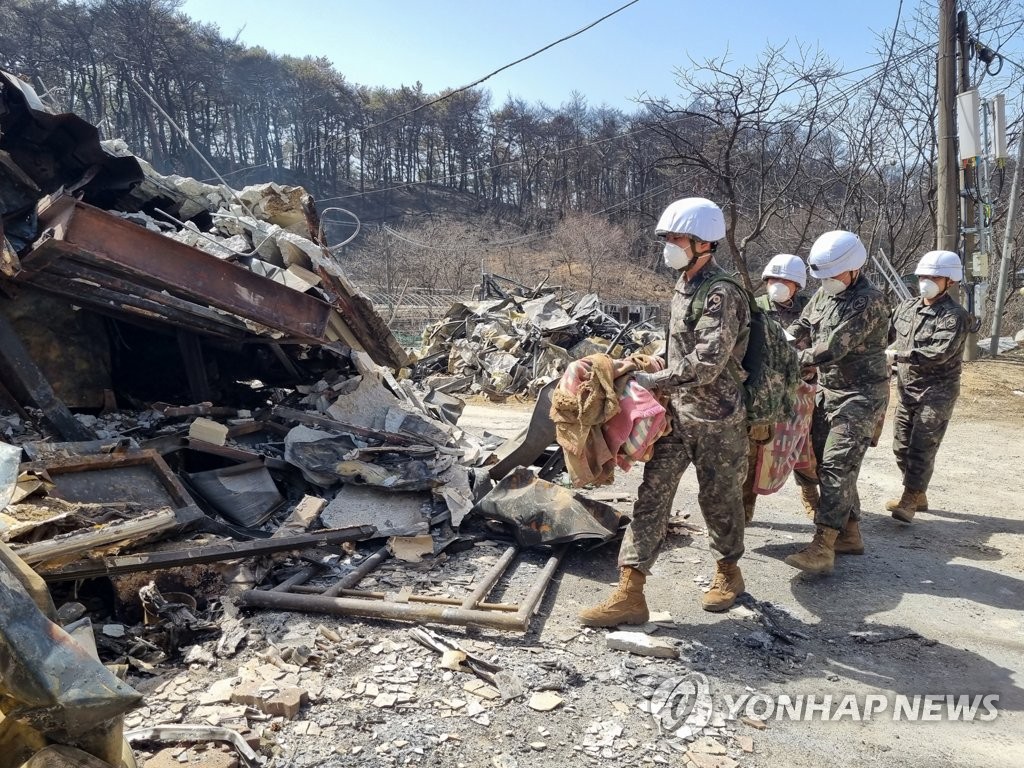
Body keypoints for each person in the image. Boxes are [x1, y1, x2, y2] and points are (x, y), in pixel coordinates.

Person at [578, 197, 750, 625]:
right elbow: (680, 348)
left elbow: (708, 362)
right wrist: (651, 361)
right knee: (651, 499)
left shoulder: (722, 292)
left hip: (717, 419)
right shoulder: (684, 285)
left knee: (721, 500)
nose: (668, 247)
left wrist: (654, 381)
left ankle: (728, 572)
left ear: (702, 242)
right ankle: (630, 592)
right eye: (668, 239)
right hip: (676, 416)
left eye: (675, 239)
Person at [785, 231, 889, 573]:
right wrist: (783, 340)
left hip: (861, 396)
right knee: (825, 464)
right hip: (827, 393)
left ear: (854, 269)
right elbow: (802, 325)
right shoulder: (824, 294)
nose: (826, 282)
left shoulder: (870, 300)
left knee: (837, 464)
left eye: (833, 275)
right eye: (823, 277)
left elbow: (833, 346)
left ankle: (823, 545)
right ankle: (850, 533)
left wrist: (789, 359)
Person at [885, 250, 971, 522]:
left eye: (935, 277)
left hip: (937, 392)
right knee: (900, 446)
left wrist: (897, 355)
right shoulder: (906, 308)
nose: (927, 281)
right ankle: (917, 493)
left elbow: (940, 352)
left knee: (922, 444)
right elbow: (885, 334)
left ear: (950, 282)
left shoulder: (954, 316)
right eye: (923, 276)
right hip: (907, 388)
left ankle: (910, 499)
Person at [742, 254, 810, 521]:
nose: (778, 284)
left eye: (785, 280)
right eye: (773, 279)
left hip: (801, 393)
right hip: (763, 394)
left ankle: (811, 496)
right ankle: (746, 508)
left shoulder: (810, 310)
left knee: (805, 450)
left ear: (797, 285)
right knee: (754, 452)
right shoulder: (754, 307)